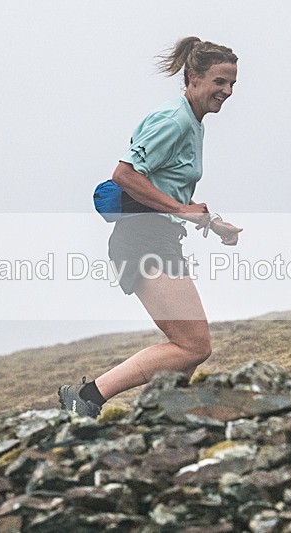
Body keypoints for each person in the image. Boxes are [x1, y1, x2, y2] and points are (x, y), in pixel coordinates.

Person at [59, 36, 243, 418]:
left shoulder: (192, 122)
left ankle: (167, 416)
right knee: (193, 345)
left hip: (157, 235)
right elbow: (125, 175)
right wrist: (181, 208)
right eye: (219, 82)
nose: (226, 91)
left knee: (187, 349)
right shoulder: (173, 120)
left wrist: (211, 222)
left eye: (232, 84)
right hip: (142, 237)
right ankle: (88, 397)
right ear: (193, 78)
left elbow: (166, 186)